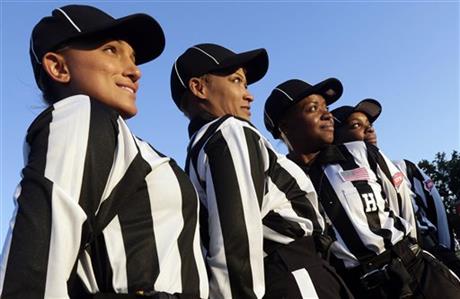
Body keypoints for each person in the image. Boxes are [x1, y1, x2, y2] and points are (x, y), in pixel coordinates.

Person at [0, 5, 208, 298]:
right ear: (58, 67)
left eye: (133, 58)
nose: (134, 71)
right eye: (111, 50)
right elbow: (35, 267)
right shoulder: (81, 115)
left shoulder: (118, 138)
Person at [170, 43, 353, 298]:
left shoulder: (199, 147)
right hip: (294, 274)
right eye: (237, 81)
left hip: (286, 275)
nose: (249, 95)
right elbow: (236, 240)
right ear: (199, 88)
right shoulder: (229, 131)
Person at [264, 79, 460, 298]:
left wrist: (411, 253)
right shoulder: (284, 180)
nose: (327, 115)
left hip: (416, 271)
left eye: (326, 108)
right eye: (313, 108)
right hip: (363, 289)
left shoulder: (361, 154)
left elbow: (402, 205)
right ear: (284, 126)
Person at [332, 99, 460, 276]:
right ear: (334, 136)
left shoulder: (404, 168)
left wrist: (448, 251)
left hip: (433, 255)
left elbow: (437, 210)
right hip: (390, 271)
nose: (369, 129)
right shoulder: (334, 183)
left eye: (369, 124)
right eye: (356, 125)